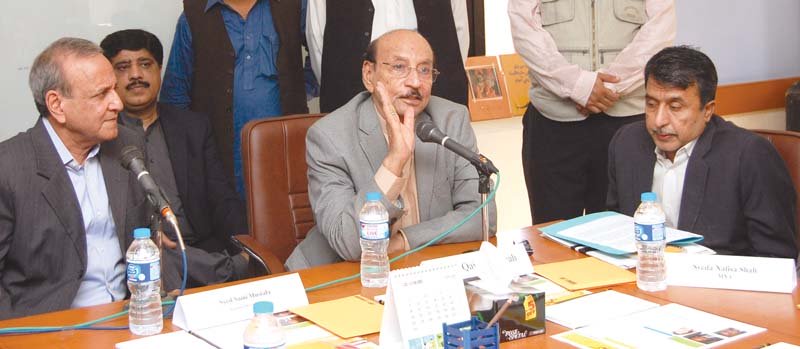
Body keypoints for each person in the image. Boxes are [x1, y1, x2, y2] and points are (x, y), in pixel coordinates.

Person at [286, 30, 496, 270]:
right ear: (369, 75)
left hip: (421, 268)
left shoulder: (451, 120)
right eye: (399, 67)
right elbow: (349, 244)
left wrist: (405, 241)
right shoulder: (329, 136)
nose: (415, 82)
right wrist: (394, 162)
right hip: (338, 274)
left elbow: (482, 217)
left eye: (425, 70)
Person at [0, 37, 160, 320]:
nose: (117, 103)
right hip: (49, 329)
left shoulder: (127, 144)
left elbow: (147, 238)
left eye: (114, 89)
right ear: (57, 105)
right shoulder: (10, 167)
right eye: (102, 94)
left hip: (132, 315)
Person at [607, 46, 798, 258]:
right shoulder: (627, 143)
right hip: (642, 278)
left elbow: (777, 257)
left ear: (707, 110)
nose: (658, 121)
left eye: (675, 107)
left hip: (720, 284)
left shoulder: (749, 156)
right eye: (651, 104)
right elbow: (614, 230)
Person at [508, 0, 675, 224]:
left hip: (627, 122)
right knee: (554, 234)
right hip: (553, 122)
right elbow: (524, 29)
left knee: (622, 230)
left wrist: (606, 88)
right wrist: (578, 85)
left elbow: (659, 30)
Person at [100, 29, 247, 256]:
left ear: (160, 70)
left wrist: (246, 248)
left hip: (198, 248)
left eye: (145, 64)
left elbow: (222, 200)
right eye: (123, 67)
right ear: (109, 79)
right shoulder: (100, 135)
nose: (135, 75)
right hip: (135, 253)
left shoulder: (193, 127)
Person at [160, 0, 313, 194]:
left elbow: (322, 51)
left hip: (283, 152)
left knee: (281, 216)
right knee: (228, 219)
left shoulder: (293, 6)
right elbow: (175, 94)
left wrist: (300, 90)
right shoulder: (194, 15)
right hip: (218, 158)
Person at [307, 0, 470, 113]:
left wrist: (431, 78)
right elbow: (318, 41)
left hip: (433, 98)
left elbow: (458, 33)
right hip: (353, 100)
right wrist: (346, 84)